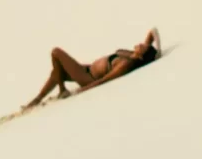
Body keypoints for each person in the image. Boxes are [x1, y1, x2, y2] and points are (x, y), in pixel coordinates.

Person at [25, 28, 161, 109]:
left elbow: (106, 80)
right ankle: (37, 99)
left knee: (56, 52)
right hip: (87, 69)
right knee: (57, 71)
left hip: (88, 78)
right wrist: (158, 49)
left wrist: (83, 90)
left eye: (143, 46)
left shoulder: (126, 64)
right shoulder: (135, 54)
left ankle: (61, 90)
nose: (140, 43)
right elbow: (153, 31)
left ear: (142, 55)